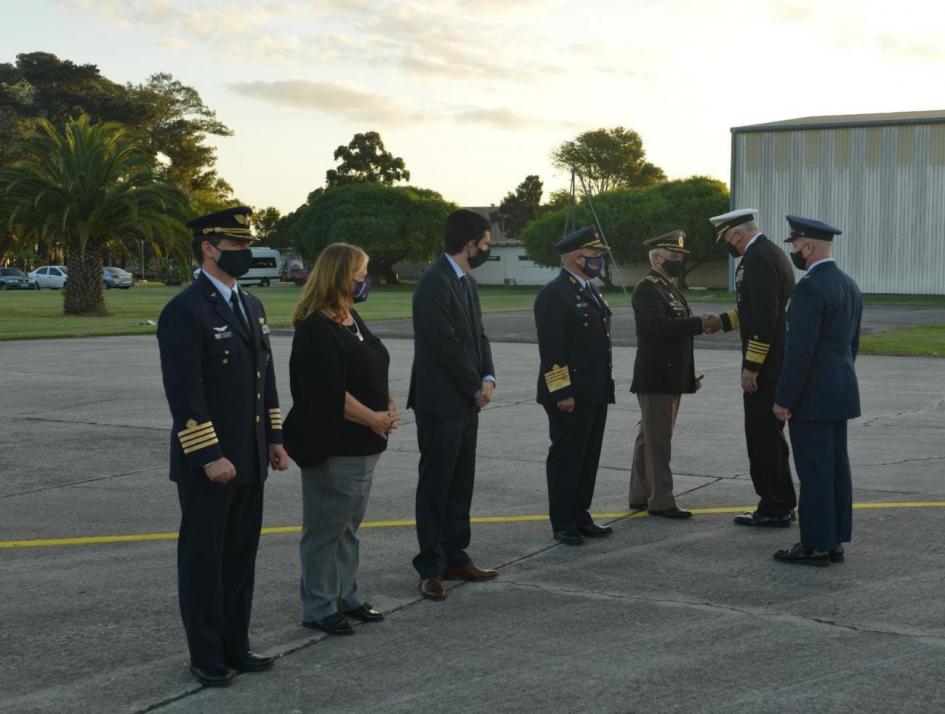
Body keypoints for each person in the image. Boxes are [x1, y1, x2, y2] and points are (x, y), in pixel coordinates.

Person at [156, 206, 290, 688]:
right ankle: (207, 654)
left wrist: (274, 438)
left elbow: (265, 378)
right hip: (211, 465)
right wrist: (209, 455)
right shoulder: (185, 310)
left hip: (251, 457)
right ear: (209, 249)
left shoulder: (251, 305)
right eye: (236, 246)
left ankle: (236, 643)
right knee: (204, 562)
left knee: (239, 559)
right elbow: (184, 393)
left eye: (246, 245)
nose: (246, 253)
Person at [283, 243, 400, 634]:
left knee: (348, 527)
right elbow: (329, 393)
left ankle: (346, 595)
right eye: (360, 273)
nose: (365, 279)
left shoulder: (351, 318)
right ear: (340, 276)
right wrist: (374, 419)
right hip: (335, 445)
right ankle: (319, 606)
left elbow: (372, 366)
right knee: (325, 530)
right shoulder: (317, 328)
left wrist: (388, 405)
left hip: (365, 444)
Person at [407, 208, 498, 601]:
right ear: (469, 244)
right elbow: (444, 344)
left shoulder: (466, 282)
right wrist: (473, 384)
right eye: (485, 243)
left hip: (466, 399)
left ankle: (456, 554)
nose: (486, 249)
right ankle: (430, 565)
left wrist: (489, 377)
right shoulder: (433, 282)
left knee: (461, 481)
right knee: (436, 484)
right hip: (440, 401)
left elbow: (477, 335)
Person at [772, 215, 862, 566]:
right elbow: (851, 345)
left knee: (813, 471)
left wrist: (784, 399)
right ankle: (834, 539)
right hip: (839, 391)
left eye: (795, 245)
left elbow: (800, 352)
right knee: (836, 467)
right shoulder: (849, 284)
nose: (794, 251)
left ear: (808, 246)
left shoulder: (809, 288)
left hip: (811, 396)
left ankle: (815, 545)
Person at [707, 208, 797, 528]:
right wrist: (723, 322)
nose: (729, 247)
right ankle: (782, 500)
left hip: (767, 366)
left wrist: (752, 366)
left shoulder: (757, 258)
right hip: (777, 362)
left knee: (761, 438)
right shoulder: (770, 253)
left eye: (728, 240)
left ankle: (773, 506)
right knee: (771, 437)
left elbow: (764, 318)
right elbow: (753, 307)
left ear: (737, 235)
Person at [534, 226, 615, 545]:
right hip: (570, 395)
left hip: (594, 391)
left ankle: (581, 514)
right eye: (593, 255)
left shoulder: (589, 290)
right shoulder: (555, 293)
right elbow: (552, 350)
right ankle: (563, 521)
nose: (598, 261)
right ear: (574, 257)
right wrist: (562, 392)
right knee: (567, 459)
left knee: (587, 457)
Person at [629, 230, 714, 519]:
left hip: (669, 375)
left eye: (679, 257)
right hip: (656, 376)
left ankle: (641, 493)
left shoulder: (669, 288)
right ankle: (661, 500)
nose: (678, 262)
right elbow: (660, 327)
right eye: (673, 257)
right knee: (658, 440)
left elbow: (678, 336)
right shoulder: (647, 289)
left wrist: (687, 377)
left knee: (649, 438)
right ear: (656, 259)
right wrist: (700, 323)